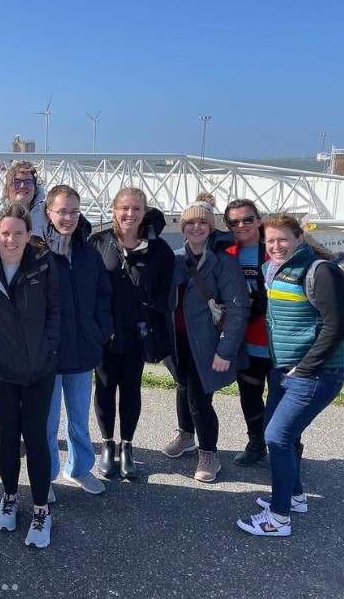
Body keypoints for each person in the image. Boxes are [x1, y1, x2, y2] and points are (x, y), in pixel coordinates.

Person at [237, 214, 344, 537]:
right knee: (277, 434)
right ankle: (295, 496)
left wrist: (306, 366)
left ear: (299, 238)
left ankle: (278, 518)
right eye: (270, 240)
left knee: (277, 437)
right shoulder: (273, 270)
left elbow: (335, 326)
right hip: (283, 369)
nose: (275, 246)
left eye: (283, 239)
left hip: (316, 372)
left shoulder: (318, 271)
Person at [0, 202, 61, 549]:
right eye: (5, 233)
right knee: (8, 435)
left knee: (36, 437)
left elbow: (56, 310)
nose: (11, 239)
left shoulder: (42, 263)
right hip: (1, 369)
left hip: (40, 367)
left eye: (18, 233)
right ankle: (9, 496)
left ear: (28, 235)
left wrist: (50, 348)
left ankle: (41, 510)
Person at [161, 194, 249, 483]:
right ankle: (186, 435)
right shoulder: (175, 259)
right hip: (180, 342)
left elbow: (238, 309)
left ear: (211, 227)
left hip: (208, 344)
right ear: (183, 226)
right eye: (190, 222)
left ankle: (209, 453)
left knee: (199, 399)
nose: (196, 227)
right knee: (183, 388)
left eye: (203, 222)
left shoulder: (224, 262)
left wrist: (225, 351)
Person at [89, 187, 175, 479]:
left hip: (138, 333)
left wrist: (150, 307)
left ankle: (127, 446)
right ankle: (106, 445)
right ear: (114, 210)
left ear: (144, 212)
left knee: (131, 389)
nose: (130, 214)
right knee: (103, 389)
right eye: (124, 208)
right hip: (104, 334)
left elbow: (167, 287)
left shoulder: (158, 248)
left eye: (136, 209)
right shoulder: (98, 242)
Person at [42, 185, 113, 496]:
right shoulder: (38, 252)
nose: (68, 217)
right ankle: (46, 474)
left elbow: (102, 295)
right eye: (61, 211)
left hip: (83, 347)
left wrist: (101, 331)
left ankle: (80, 468)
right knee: (47, 420)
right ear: (48, 213)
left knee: (79, 416)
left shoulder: (88, 252)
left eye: (73, 211)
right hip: (50, 352)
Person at [221, 199, 272, 466]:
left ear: (259, 220)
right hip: (246, 342)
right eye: (234, 222)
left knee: (281, 401)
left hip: (279, 343)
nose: (241, 225)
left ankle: (289, 445)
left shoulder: (276, 249)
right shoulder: (229, 253)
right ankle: (256, 442)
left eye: (247, 219)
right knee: (250, 397)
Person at [0, 160, 47, 256]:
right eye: (17, 182)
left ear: (35, 188)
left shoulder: (45, 219)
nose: (22, 186)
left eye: (28, 182)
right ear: (7, 189)